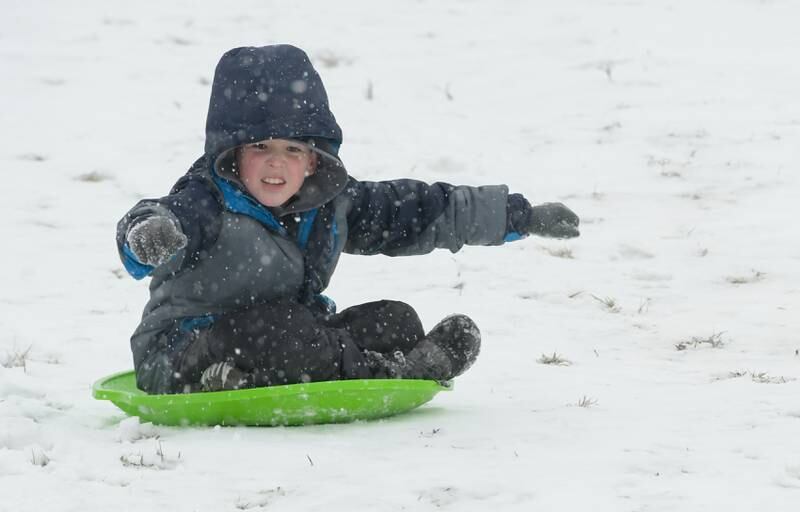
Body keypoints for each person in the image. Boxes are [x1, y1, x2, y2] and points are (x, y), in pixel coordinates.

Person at [116, 44, 580, 395]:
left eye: (292, 150)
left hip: (289, 339)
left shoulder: (332, 204)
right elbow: (159, 216)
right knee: (277, 329)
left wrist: (519, 216)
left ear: (314, 161)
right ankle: (397, 374)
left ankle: (268, 377)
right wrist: (148, 236)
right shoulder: (205, 203)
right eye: (261, 148)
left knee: (394, 321)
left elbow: (419, 211)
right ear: (234, 154)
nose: (276, 164)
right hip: (183, 355)